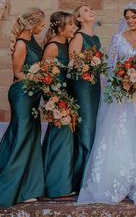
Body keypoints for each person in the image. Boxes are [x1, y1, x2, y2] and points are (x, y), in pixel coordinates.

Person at [77, 3, 136, 206]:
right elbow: (111, 67)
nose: (130, 21)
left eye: (133, 17)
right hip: (121, 98)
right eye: (127, 18)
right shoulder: (117, 39)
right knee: (120, 135)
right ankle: (114, 180)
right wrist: (123, 81)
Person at [0, 8, 45, 207]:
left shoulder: (33, 41)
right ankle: (10, 188)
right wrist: (39, 78)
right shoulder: (21, 43)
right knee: (21, 136)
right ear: (33, 25)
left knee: (31, 137)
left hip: (33, 94)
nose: (43, 28)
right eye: (41, 25)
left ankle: (28, 188)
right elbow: (18, 72)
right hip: (21, 94)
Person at [42, 11, 76, 198]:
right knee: (60, 141)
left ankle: (60, 183)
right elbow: (45, 77)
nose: (73, 27)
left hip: (67, 96)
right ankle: (57, 188)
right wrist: (54, 103)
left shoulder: (67, 43)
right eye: (70, 24)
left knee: (65, 140)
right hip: (57, 100)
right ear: (61, 28)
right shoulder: (53, 46)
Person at [69, 5, 101, 192]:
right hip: (82, 87)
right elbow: (73, 64)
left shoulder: (95, 38)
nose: (91, 11)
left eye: (91, 9)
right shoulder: (79, 37)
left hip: (94, 86)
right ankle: (82, 180)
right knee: (86, 128)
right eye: (86, 11)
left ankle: (92, 175)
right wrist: (88, 66)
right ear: (80, 19)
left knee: (94, 126)